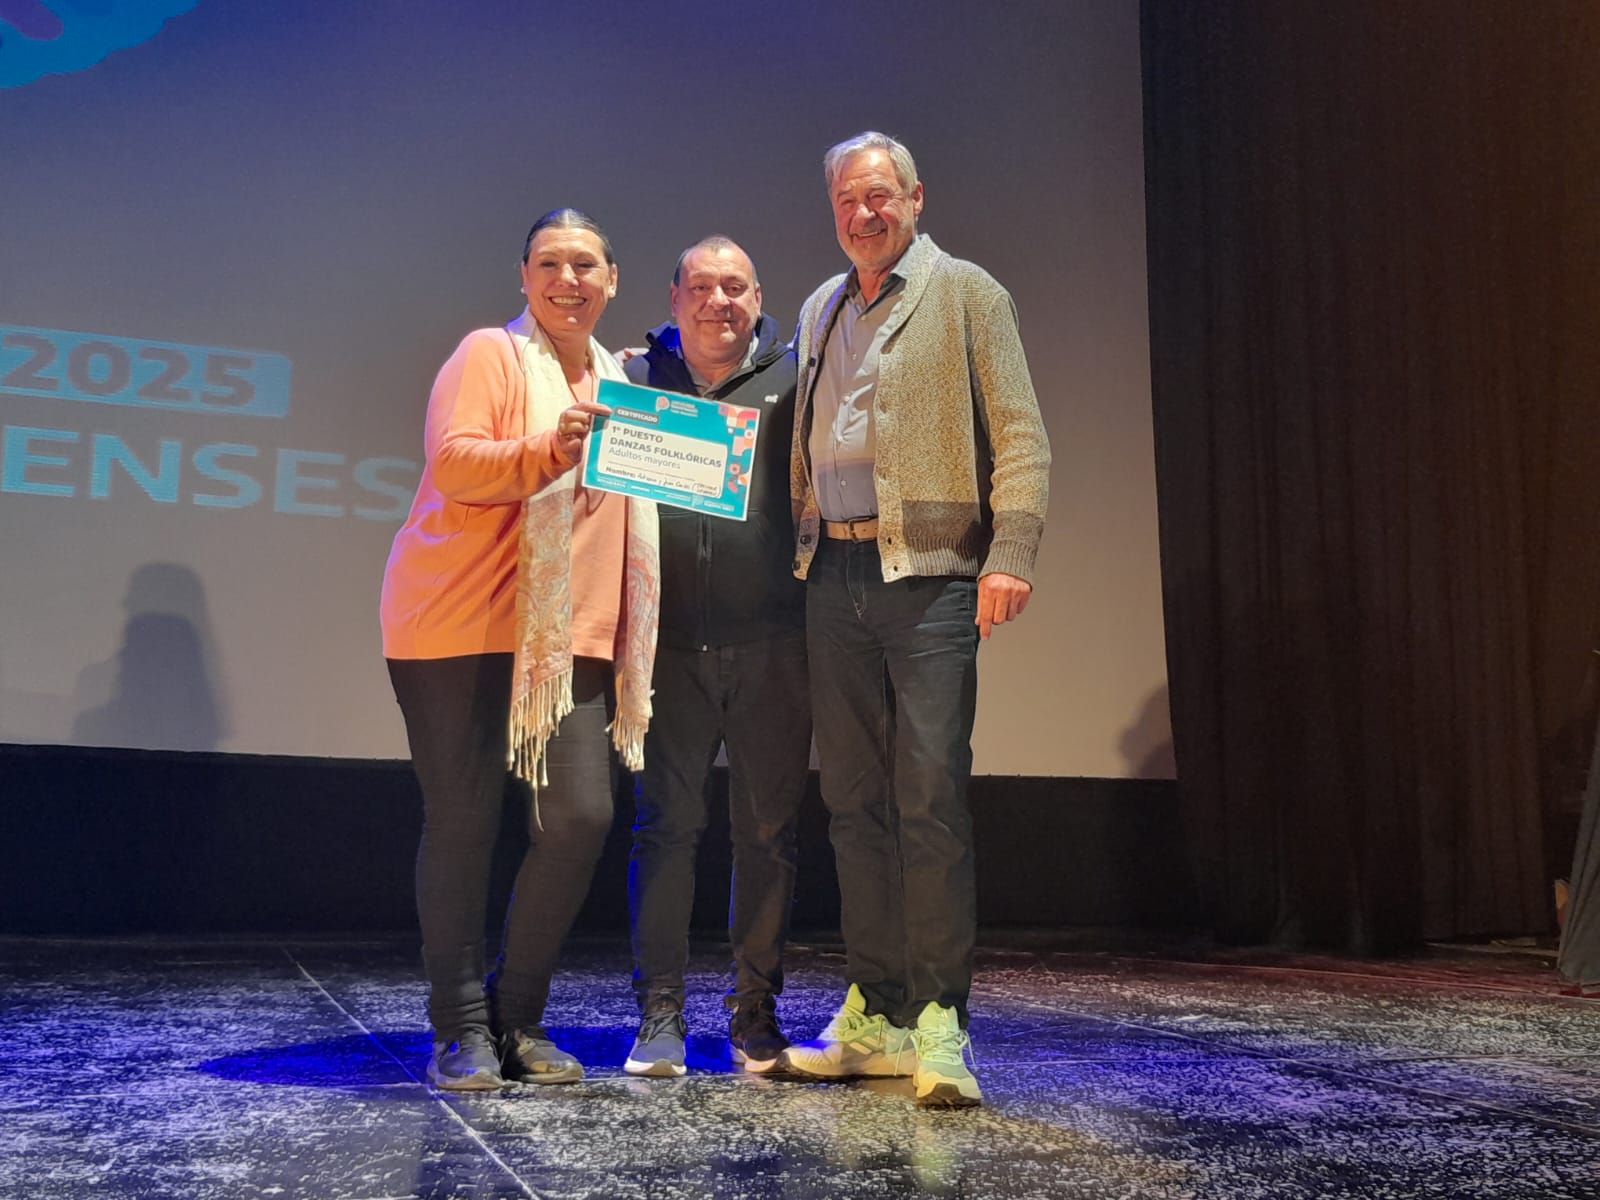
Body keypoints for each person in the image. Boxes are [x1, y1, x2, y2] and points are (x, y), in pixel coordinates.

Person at [782, 133, 1051, 1107]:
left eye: (879, 196)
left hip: (931, 579)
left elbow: (1019, 433)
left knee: (928, 798)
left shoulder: (968, 293)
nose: (863, 214)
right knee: (853, 803)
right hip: (832, 574)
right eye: (847, 200)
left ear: (915, 198)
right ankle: (879, 1011)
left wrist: (1011, 551)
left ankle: (940, 1020)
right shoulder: (820, 305)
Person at [379, 209, 659, 1090]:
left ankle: (517, 1014)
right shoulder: (489, 355)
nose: (567, 280)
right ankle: (461, 1026)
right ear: (524, 277)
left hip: (568, 635)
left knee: (580, 817)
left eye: (585, 265)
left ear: (612, 280)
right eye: (549, 264)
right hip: (456, 623)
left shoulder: (624, 385)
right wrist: (550, 446)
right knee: (463, 823)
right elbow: (456, 462)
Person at [620, 237, 811, 1078]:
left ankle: (754, 1013)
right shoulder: (635, 379)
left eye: (735, 286)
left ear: (758, 298)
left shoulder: (796, 378)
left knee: (768, 834)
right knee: (665, 829)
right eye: (701, 286)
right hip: (669, 647)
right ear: (674, 299)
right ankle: (659, 1014)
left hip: (775, 642)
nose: (718, 301)